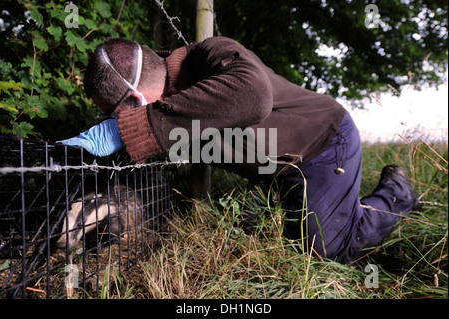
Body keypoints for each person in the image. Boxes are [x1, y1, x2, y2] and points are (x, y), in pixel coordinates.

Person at [59, 36, 420, 264]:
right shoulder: (167, 111)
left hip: (323, 145)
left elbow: (253, 96)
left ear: (136, 100)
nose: (115, 123)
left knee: (327, 252)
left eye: (112, 114)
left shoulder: (213, 53)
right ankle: (340, 204)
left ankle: (398, 191)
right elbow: (136, 150)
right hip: (282, 171)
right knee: (290, 236)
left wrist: (128, 127)